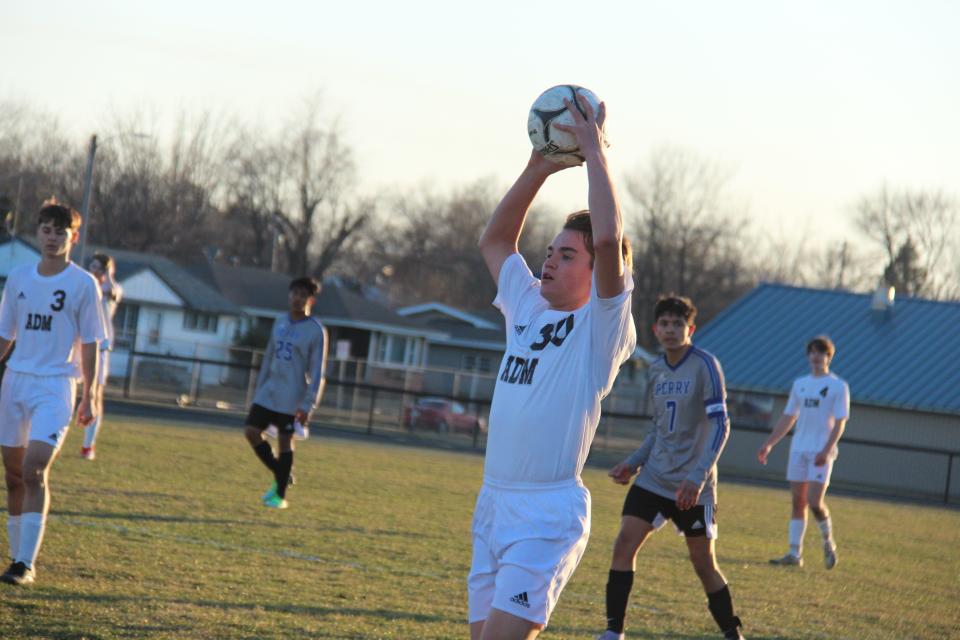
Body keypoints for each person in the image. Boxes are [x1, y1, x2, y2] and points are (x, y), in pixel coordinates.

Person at [470, 93, 636, 640]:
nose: (550, 260)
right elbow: (495, 240)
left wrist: (594, 154)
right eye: (550, 250)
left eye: (568, 255)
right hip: (494, 502)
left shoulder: (599, 328)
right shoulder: (526, 305)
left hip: (546, 514)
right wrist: (539, 165)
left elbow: (610, 239)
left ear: (596, 273)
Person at [599, 295, 744, 640]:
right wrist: (633, 463)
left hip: (694, 486)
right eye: (664, 323)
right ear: (655, 329)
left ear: (690, 329)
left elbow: (721, 426)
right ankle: (612, 632)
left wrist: (697, 478)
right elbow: (658, 430)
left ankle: (731, 631)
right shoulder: (656, 369)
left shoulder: (706, 365)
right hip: (654, 479)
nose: (670, 330)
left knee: (703, 563)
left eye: (678, 324)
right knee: (623, 545)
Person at [0, 199, 106, 585]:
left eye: (60, 231)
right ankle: (15, 557)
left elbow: (92, 341)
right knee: (13, 475)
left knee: (34, 468)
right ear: (37, 232)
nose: (51, 237)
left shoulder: (83, 284)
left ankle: (26, 564)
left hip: (57, 385)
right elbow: (5, 334)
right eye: (45, 229)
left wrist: (90, 393)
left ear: (73, 237)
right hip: (15, 381)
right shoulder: (19, 279)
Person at [757, 336, 848, 569]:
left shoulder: (838, 386)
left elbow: (839, 422)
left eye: (822, 353)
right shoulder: (800, 384)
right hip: (799, 448)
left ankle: (828, 542)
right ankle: (793, 554)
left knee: (814, 501)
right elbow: (789, 416)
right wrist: (770, 443)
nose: (816, 356)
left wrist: (827, 450)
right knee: (798, 502)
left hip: (821, 452)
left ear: (829, 357)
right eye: (813, 352)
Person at [243, 276, 327, 509]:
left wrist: (309, 404)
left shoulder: (316, 331)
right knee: (251, 431)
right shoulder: (279, 322)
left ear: (311, 300)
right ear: (289, 295)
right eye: (294, 294)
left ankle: (279, 496)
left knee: (284, 441)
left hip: (293, 397)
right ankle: (282, 472)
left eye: (303, 295)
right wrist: (259, 390)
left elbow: (318, 371)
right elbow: (269, 358)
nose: (297, 299)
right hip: (269, 392)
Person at [81, 252, 122, 461]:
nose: (94, 270)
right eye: (92, 266)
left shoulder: (109, 288)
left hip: (100, 349)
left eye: (99, 267)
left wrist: (108, 275)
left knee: (94, 396)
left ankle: (88, 445)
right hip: (78, 347)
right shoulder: (84, 285)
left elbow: (113, 293)